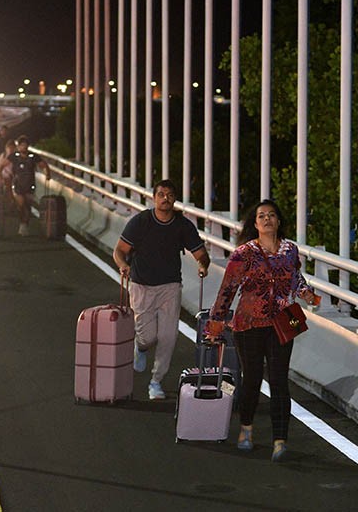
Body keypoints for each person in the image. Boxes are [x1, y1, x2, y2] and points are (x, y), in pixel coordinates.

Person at [205, 199, 320, 461]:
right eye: (261, 216)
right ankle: (246, 429)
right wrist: (216, 323)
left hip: (283, 322)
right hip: (249, 325)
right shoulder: (243, 253)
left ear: (278, 221)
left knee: (280, 382)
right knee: (252, 380)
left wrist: (306, 293)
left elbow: (295, 277)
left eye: (271, 215)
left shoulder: (290, 250)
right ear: (255, 224)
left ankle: (280, 441)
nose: (267, 219)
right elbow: (228, 289)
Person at [113, 179, 211, 400]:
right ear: (154, 198)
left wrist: (202, 265)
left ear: (175, 199)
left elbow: (201, 253)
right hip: (141, 285)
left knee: (168, 337)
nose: (165, 198)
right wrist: (123, 265)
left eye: (170, 195)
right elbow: (119, 250)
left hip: (170, 286)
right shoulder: (141, 222)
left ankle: (156, 382)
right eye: (161, 194)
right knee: (147, 337)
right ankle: (141, 347)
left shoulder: (182, 225)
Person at [5, 135, 51, 236]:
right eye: (22, 145)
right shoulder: (14, 156)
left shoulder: (33, 157)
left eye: (25, 145)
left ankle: (25, 223)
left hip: (30, 184)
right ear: (18, 146)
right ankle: (22, 224)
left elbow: (43, 165)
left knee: (28, 204)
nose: (24, 147)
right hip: (18, 184)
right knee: (21, 204)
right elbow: (2, 164)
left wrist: (47, 173)